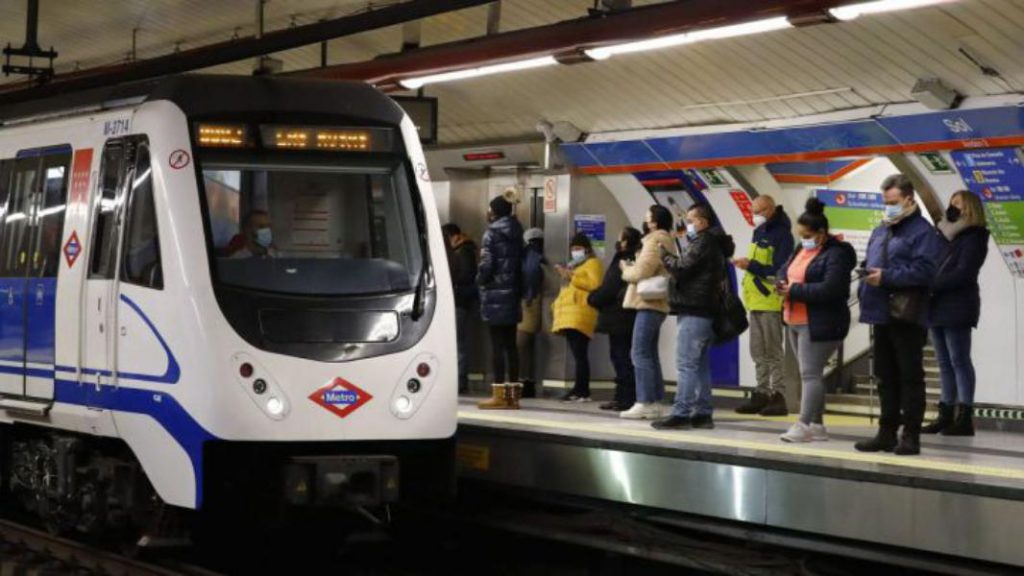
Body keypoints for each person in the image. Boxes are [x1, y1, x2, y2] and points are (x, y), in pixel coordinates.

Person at [855, 174, 943, 455]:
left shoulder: (922, 232)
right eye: (885, 202)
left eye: (893, 202)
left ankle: (911, 435)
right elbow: (873, 259)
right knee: (884, 375)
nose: (889, 207)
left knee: (909, 376)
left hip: (907, 313)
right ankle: (886, 432)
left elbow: (927, 270)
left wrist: (887, 277)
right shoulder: (882, 229)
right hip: (880, 311)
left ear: (908, 199)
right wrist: (867, 271)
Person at [777, 198, 857, 442]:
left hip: (821, 321)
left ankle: (802, 425)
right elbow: (786, 268)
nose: (803, 239)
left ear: (821, 234)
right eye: (800, 234)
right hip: (794, 318)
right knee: (812, 374)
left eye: (807, 234)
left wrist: (794, 290)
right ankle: (818, 426)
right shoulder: (802, 249)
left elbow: (831, 289)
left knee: (810, 374)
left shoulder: (837, 254)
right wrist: (782, 282)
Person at [653, 203, 735, 430]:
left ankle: (681, 412)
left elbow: (680, 267)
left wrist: (664, 254)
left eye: (690, 220)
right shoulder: (713, 243)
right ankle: (703, 413)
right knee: (699, 366)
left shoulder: (703, 242)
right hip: (705, 311)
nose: (687, 224)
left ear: (702, 222)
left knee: (686, 364)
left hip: (695, 310)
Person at [922, 191, 989, 436]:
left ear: (969, 208)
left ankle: (965, 415)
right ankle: (945, 412)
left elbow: (964, 273)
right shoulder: (945, 236)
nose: (951, 208)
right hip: (936, 305)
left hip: (958, 305)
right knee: (943, 362)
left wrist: (930, 284)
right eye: (951, 203)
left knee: (959, 360)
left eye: (957, 204)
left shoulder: (975, 237)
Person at [733, 195, 794, 416]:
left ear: (770, 209)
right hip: (755, 300)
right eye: (752, 211)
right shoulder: (758, 232)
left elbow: (779, 269)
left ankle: (779, 395)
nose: (754, 216)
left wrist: (751, 265)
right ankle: (761, 393)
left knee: (773, 351)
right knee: (757, 351)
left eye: (758, 211)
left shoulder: (783, 235)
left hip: (771, 300)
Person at [620, 206, 678, 420]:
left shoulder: (655, 241)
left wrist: (626, 270)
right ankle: (656, 401)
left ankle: (645, 401)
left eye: (648, 216)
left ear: (654, 221)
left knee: (639, 352)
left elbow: (643, 271)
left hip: (650, 302)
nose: (645, 219)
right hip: (656, 303)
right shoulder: (664, 239)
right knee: (649, 353)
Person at [476, 195, 525, 410]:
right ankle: (513, 396)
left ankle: (498, 394)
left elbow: (487, 265)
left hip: (495, 295)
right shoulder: (518, 233)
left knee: (496, 345)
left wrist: (479, 280)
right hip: (512, 294)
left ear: (494, 211)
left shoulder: (491, 233)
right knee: (511, 345)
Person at [588, 227, 643, 411]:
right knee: (626, 356)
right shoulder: (637, 257)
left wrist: (593, 298)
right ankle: (624, 396)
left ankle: (625, 398)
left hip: (618, 316)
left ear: (625, 242)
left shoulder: (622, 258)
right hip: (630, 314)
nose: (617, 241)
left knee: (620, 356)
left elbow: (610, 287)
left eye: (620, 238)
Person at [551, 233, 603, 402]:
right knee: (577, 354)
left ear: (587, 249)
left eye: (578, 248)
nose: (575, 252)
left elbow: (594, 285)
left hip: (580, 313)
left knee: (580, 354)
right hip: (570, 314)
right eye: (573, 249)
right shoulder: (574, 266)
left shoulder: (593, 263)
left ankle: (582, 390)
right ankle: (579, 389)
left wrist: (571, 276)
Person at [441, 223, 478, 395]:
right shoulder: (461, 251)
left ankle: (460, 381)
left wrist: (452, 285)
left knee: (458, 344)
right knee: (456, 343)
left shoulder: (463, 252)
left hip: (459, 302)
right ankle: (457, 380)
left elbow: (466, 277)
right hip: (458, 301)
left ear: (455, 236)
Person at [517, 227, 546, 398]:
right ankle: (528, 380)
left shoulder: (529, 255)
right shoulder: (541, 256)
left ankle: (524, 381)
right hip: (537, 302)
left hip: (529, 302)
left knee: (521, 342)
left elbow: (530, 274)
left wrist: (527, 295)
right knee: (527, 344)